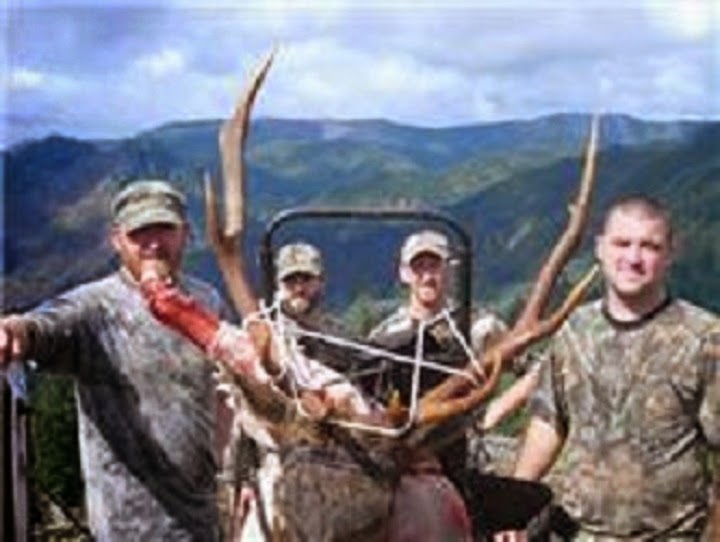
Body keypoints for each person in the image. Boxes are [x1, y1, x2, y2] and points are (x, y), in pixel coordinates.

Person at [0, 179, 225, 541]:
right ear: (117, 241)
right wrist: (15, 330)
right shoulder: (95, 308)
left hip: (202, 520)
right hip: (128, 527)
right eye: (139, 233)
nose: (153, 244)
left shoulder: (207, 301)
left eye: (164, 229)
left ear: (186, 233)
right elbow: (46, 325)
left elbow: (221, 393)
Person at [511, 195, 720, 540]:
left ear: (671, 253)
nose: (633, 258)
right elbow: (548, 422)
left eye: (650, 246)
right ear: (600, 248)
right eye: (622, 243)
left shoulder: (704, 339)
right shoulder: (575, 330)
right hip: (576, 533)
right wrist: (513, 506)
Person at [369, 229, 546, 538]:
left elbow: (537, 371)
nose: (427, 276)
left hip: (467, 465)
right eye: (418, 267)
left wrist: (496, 410)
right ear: (404, 273)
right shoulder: (382, 337)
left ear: (449, 269)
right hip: (407, 469)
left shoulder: (480, 327)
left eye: (434, 266)